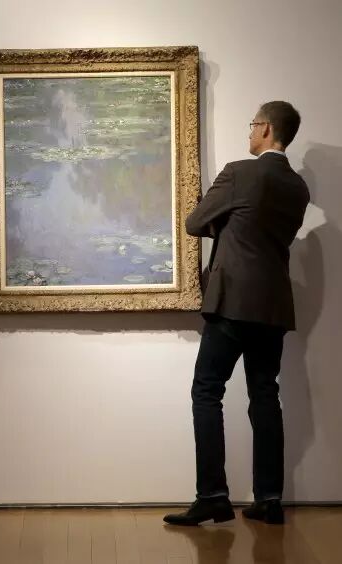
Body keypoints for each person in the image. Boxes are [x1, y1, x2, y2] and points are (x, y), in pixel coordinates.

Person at [164, 101, 310, 526]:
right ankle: (269, 500)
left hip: (232, 302)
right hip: (273, 304)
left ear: (265, 128)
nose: (249, 132)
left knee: (207, 391)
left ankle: (213, 495)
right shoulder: (298, 187)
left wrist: (224, 224)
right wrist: (235, 224)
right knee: (265, 395)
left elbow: (194, 222)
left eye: (252, 125)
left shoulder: (239, 172)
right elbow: (265, 233)